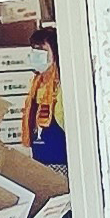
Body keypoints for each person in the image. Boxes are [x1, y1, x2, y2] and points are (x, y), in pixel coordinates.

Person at [23, 22, 68, 168]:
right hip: (40, 165)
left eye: (41, 50)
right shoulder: (36, 86)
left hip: (62, 166)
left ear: (56, 53)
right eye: (33, 49)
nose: (36, 54)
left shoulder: (63, 89)